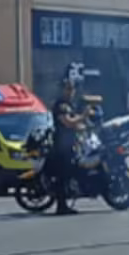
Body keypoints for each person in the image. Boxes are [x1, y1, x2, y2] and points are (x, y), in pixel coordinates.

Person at [48, 77, 87, 216]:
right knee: (62, 176)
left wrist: (83, 126)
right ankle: (61, 206)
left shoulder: (70, 105)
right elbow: (68, 122)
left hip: (70, 144)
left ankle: (68, 199)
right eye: (68, 89)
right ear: (63, 90)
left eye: (72, 89)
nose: (71, 91)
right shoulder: (61, 105)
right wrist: (83, 116)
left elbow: (74, 124)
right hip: (61, 146)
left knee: (69, 174)